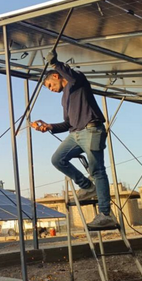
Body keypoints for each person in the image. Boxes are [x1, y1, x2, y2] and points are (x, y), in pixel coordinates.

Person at [31, 50, 116, 229]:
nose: (51, 89)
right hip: (75, 134)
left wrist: (56, 63)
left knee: (97, 170)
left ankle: (105, 214)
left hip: (92, 130)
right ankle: (87, 187)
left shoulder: (76, 81)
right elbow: (68, 123)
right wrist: (49, 126)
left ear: (56, 76)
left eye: (49, 85)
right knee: (57, 159)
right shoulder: (65, 98)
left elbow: (71, 76)